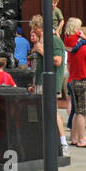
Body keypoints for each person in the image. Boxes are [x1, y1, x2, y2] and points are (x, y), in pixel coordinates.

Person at [28, 14, 69, 152]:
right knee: (44, 111)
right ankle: (47, 142)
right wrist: (34, 82)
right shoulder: (44, 40)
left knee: (52, 111)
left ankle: (62, 143)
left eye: (35, 29)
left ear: (40, 27)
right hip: (41, 81)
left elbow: (57, 61)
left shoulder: (54, 40)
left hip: (50, 82)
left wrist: (41, 50)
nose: (34, 32)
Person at [64, 22, 86, 149]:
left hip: (73, 80)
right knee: (82, 113)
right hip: (84, 80)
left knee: (75, 111)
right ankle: (81, 139)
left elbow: (69, 64)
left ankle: (74, 137)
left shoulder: (70, 48)